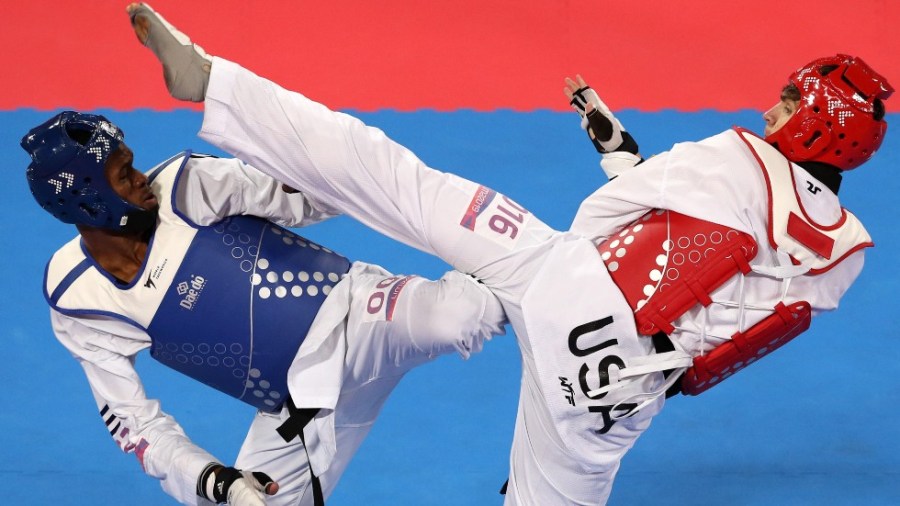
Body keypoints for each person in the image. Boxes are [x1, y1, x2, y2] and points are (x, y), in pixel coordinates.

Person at [126, 3, 893, 504]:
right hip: (613, 388)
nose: (771, 109)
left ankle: (218, 85)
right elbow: (738, 322)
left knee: (390, 177)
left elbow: (618, 215)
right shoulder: (844, 256)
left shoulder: (737, 157)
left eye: (789, 103)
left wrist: (614, 175)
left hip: (567, 278)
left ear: (814, 125)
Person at [24, 73, 505, 506]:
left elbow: (297, 196)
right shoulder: (78, 299)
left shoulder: (185, 186)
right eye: (124, 176)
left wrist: (333, 164)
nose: (141, 178)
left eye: (132, 164)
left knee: (466, 313)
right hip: (295, 409)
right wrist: (216, 481)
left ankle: (555, 271)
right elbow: (136, 425)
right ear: (88, 202)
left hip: (360, 313)